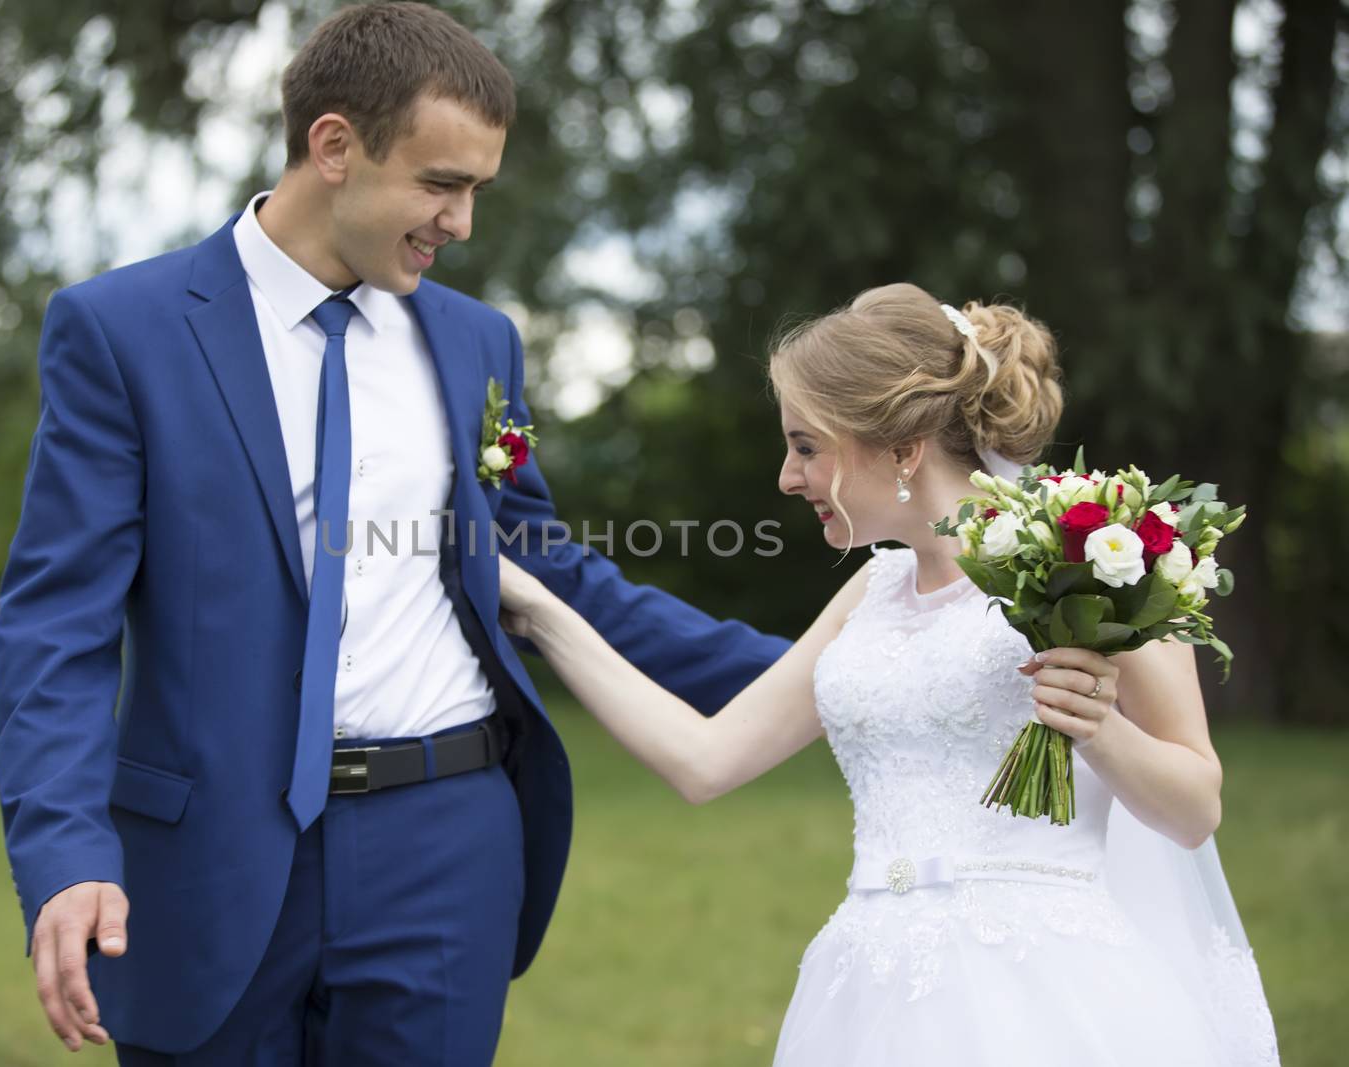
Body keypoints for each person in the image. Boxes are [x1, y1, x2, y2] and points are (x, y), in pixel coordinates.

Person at [0, 4, 787, 1064]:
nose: (460, 222)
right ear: (333, 146)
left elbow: (546, 570)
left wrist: (815, 669)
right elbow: (58, 622)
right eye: (439, 184)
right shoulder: (122, 331)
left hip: (444, 841)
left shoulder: (475, 341)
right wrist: (64, 848)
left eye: (475, 191)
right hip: (208, 851)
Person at [498, 283, 1281, 1065]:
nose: (787, 476)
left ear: (903, 448)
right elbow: (704, 760)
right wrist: (538, 612)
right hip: (867, 993)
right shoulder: (869, 591)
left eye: (807, 446)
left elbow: (1194, 809)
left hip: (1044, 992)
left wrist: (1099, 727)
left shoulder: (1092, 562)